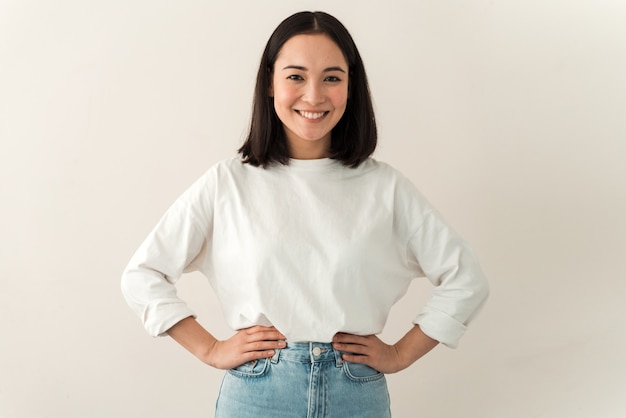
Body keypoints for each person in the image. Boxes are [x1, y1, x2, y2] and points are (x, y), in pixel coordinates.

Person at [121, 10, 489, 417]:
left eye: (332, 77)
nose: (314, 96)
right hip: (258, 394)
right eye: (296, 76)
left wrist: (402, 353)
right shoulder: (227, 184)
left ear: (351, 86)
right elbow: (143, 275)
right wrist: (209, 348)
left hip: (356, 393)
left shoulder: (385, 188)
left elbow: (465, 278)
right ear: (269, 83)